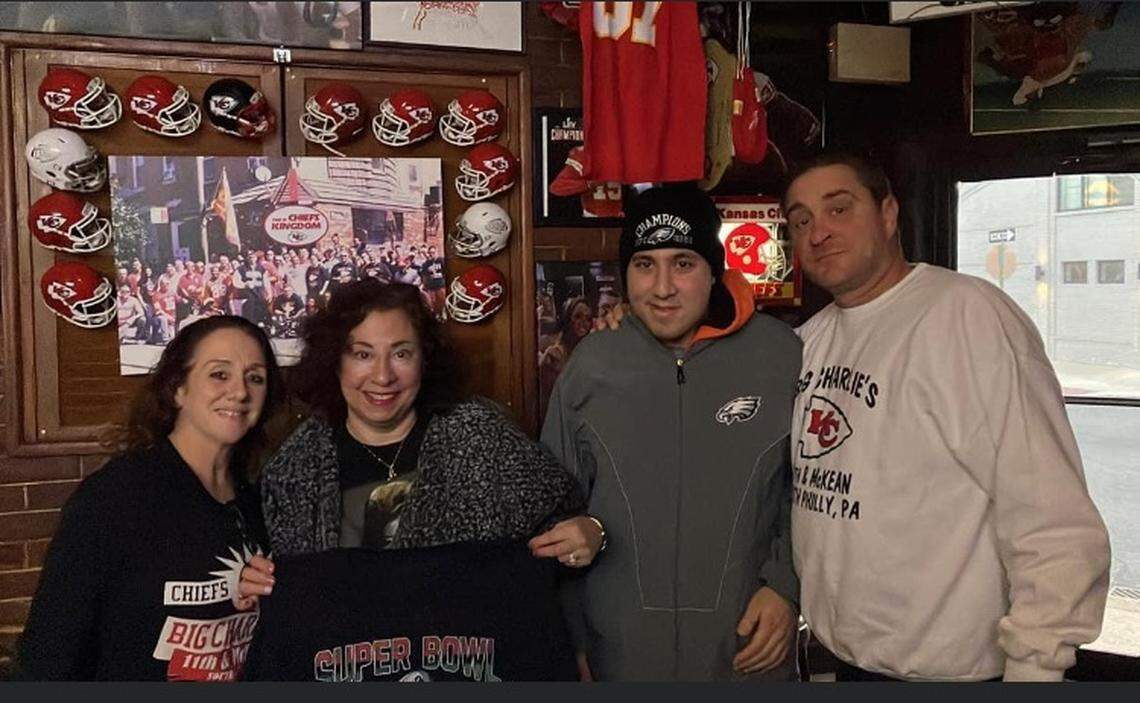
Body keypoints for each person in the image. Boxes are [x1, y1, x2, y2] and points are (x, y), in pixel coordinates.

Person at [782, 151, 1111, 681]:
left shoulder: (968, 317)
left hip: (951, 672)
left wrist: (1036, 663)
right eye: (801, 221)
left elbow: (1049, 516)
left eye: (839, 210)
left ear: (888, 215)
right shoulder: (808, 341)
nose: (818, 232)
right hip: (839, 659)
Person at [536, 185, 802, 681]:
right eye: (644, 264)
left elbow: (807, 493)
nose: (662, 288)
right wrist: (571, 641)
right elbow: (555, 510)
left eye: (683, 263)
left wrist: (785, 587)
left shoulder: (781, 355)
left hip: (744, 650)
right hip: (619, 654)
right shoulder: (593, 365)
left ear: (714, 269)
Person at [238, 280, 589, 595]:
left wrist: (591, 533)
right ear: (335, 362)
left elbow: (562, 524)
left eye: (401, 353)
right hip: (340, 665)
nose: (382, 375)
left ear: (425, 360)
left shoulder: (481, 433)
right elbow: (262, 570)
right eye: (362, 354)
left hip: (470, 660)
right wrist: (252, 583)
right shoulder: (292, 467)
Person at [17, 316, 284, 681]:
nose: (240, 392)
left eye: (255, 378)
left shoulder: (260, 501)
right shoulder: (113, 498)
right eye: (219, 375)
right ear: (178, 389)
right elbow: (48, 654)